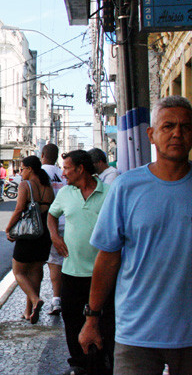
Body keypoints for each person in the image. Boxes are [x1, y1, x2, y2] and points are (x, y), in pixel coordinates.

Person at [79, 96, 192, 375]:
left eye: (185, 127)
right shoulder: (127, 187)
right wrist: (92, 318)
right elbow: (108, 257)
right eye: (168, 126)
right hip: (136, 333)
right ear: (151, 135)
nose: (177, 133)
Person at [47, 150, 112, 375]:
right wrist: (55, 237)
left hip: (102, 275)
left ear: (80, 169)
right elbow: (51, 215)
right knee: (73, 322)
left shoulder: (110, 193)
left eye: (66, 168)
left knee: (104, 324)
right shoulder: (65, 193)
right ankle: (78, 364)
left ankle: (103, 364)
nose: (63, 173)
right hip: (72, 274)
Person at [5, 155, 54, 324]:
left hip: (28, 234)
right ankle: (29, 311)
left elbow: (19, 210)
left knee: (18, 271)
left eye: (22, 169)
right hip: (45, 234)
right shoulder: (48, 186)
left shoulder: (25, 185)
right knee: (35, 272)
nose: (20, 172)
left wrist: (8, 228)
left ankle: (35, 300)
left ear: (30, 169)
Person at [40, 143, 67, 316]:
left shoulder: (40, 172)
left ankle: (53, 299)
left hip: (47, 223)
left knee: (50, 262)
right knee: (62, 259)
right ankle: (59, 296)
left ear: (43, 154)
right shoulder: (62, 173)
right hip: (65, 222)